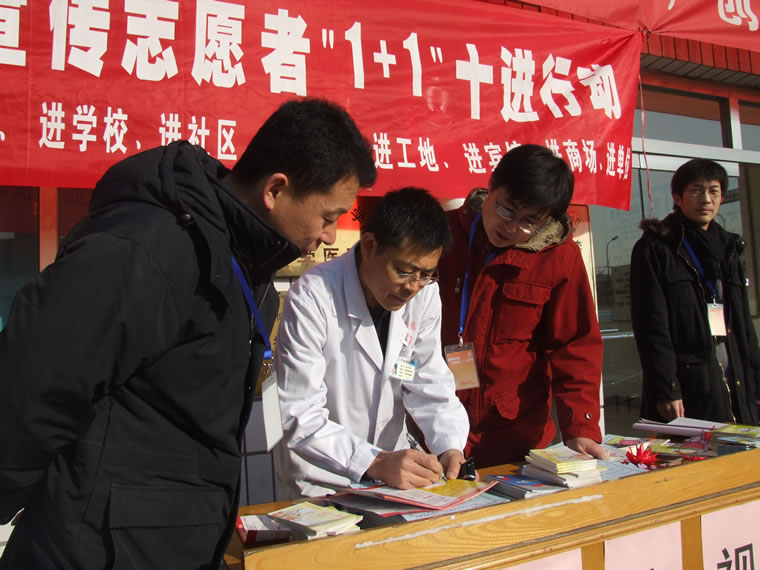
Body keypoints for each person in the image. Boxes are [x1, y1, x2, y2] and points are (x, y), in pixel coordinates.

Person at [0, 98, 376, 569]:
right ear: (276, 189)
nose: (329, 236)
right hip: (94, 550)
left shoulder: (246, 268)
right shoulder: (151, 248)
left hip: (168, 544)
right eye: (328, 216)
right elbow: (32, 386)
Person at [273, 187, 470, 499]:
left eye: (426, 274)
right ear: (369, 246)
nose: (413, 287)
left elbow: (428, 379)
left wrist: (450, 446)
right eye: (404, 271)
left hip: (394, 476)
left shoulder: (425, 295)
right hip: (323, 479)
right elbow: (300, 414)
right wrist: (374, 462)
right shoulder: (313, 296)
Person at [437, 144, 605, 468]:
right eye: (506, 210)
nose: (511, 227)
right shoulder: (442, 235)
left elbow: (575, 345)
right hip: (435, 428)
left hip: (515, 437)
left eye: (529, 221)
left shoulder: (559, 258)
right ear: (491, 185)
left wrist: (580, 427)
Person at [630, 158, 760, 425]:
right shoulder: (656, 248)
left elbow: (744, 327)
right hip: (690, 382)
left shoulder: (730, 248)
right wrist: (667, 388)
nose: (706, 199)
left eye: (714, 191)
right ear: (677, 197)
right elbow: (652, 327)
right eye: (696, 190)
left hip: (736, 375)